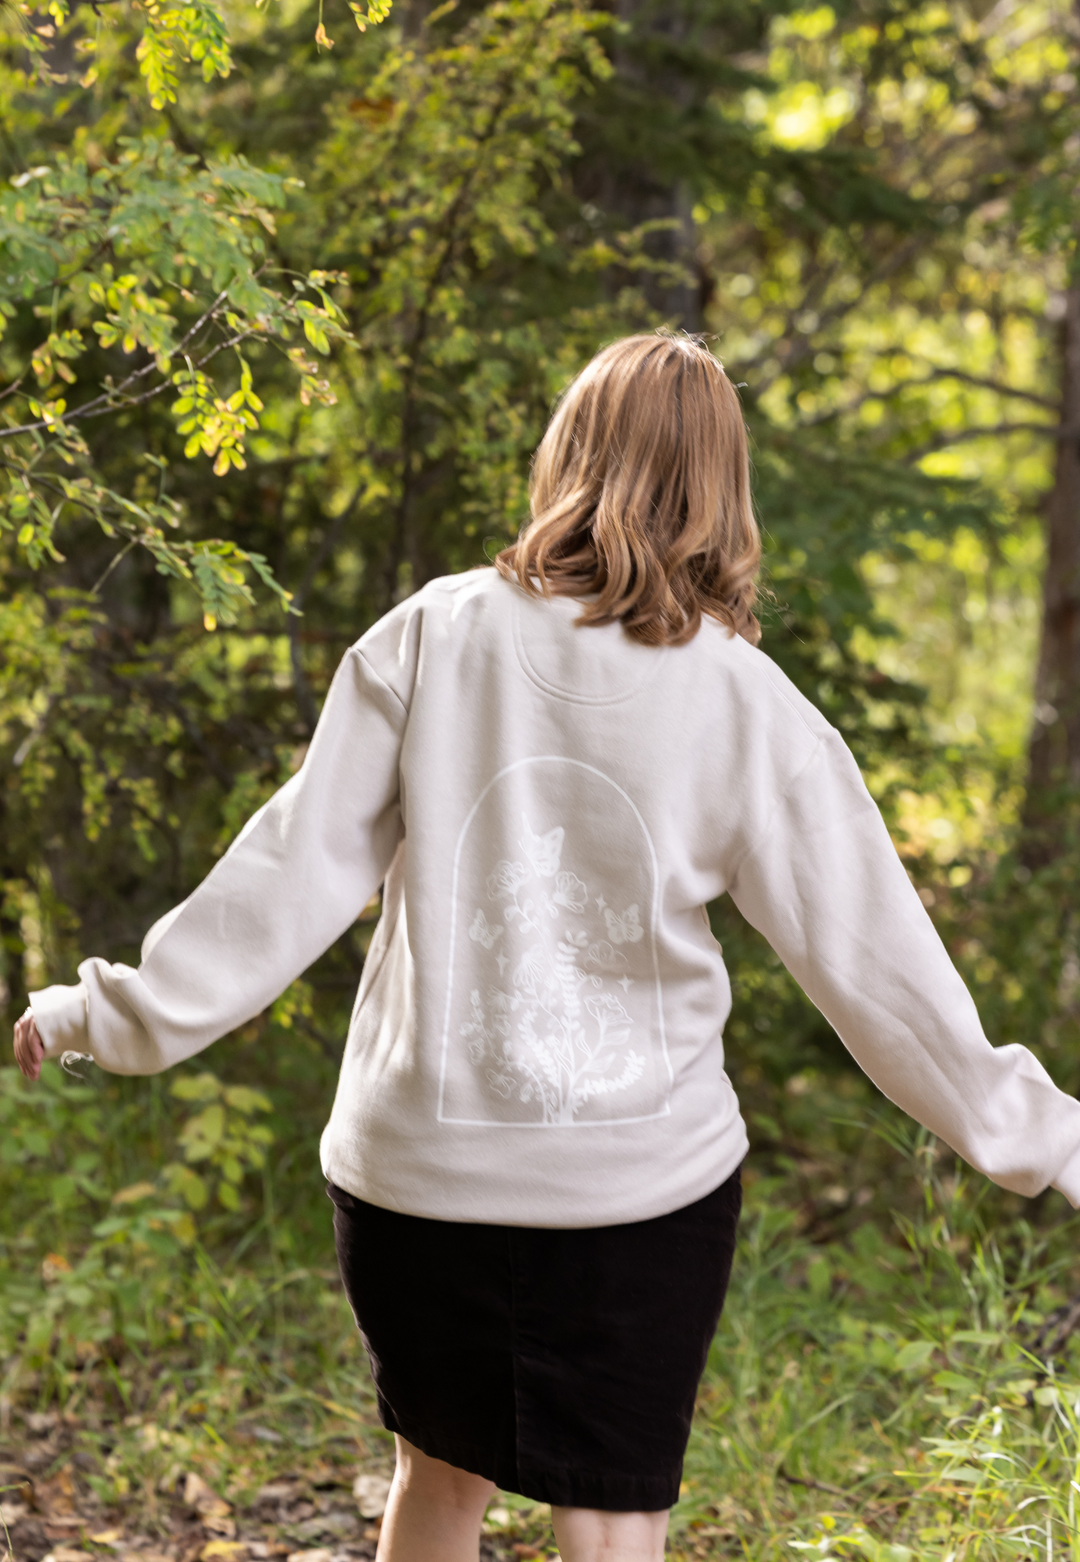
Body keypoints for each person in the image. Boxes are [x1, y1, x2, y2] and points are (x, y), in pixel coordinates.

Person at [14, 332, 1080, 1562]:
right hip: (640, 1195)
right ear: (722, 492)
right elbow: (880, 969)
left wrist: (106, 1012)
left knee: (434, 1481)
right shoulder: (744, 699)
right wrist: (1049, 1140)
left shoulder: (431, 635)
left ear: (566, 456)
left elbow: (282, 877)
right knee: (614, 1518)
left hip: (417, 1180)